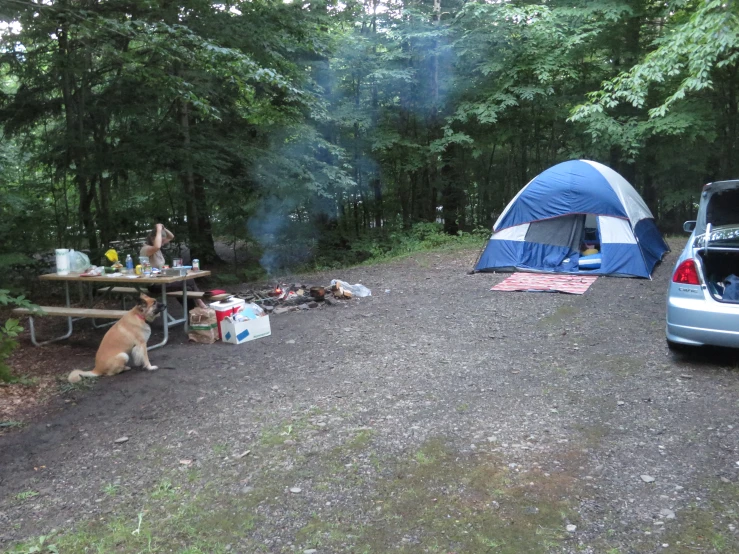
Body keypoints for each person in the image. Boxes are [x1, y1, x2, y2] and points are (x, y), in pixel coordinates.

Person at [140, 223, 199, 311]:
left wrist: (163, 228)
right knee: (189, 281)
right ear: (153, 239)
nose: (163, 244)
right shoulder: (147, 249)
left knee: (187, 288)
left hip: (162, 281)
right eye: (162, 241)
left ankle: (192, 313)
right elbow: (157, 246)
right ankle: (200, 306)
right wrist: (159, 230)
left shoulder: (156, 249)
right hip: (154, 285)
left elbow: (171, 237)